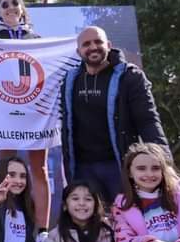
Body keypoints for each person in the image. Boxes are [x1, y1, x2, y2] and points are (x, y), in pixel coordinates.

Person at [61, 26, 170, 205]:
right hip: (83, 169)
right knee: (93, 225)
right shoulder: (70, 80)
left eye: (98, 42)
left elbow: (148, 120)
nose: (93, 47)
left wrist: (165, 161)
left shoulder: (130, 76)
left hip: (120, 166)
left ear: (109, 45)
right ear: (78, 51)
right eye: (86, 44)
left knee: (128, 218)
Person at [0, 0, 50, 230]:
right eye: (5, 5)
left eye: (15, 3)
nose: (11, 7)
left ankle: (42, 229)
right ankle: (9, 223)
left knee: (39, 168)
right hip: (5, 111)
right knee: (6, 167)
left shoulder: (39, 40)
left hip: (35, 111)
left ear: (23, 8)